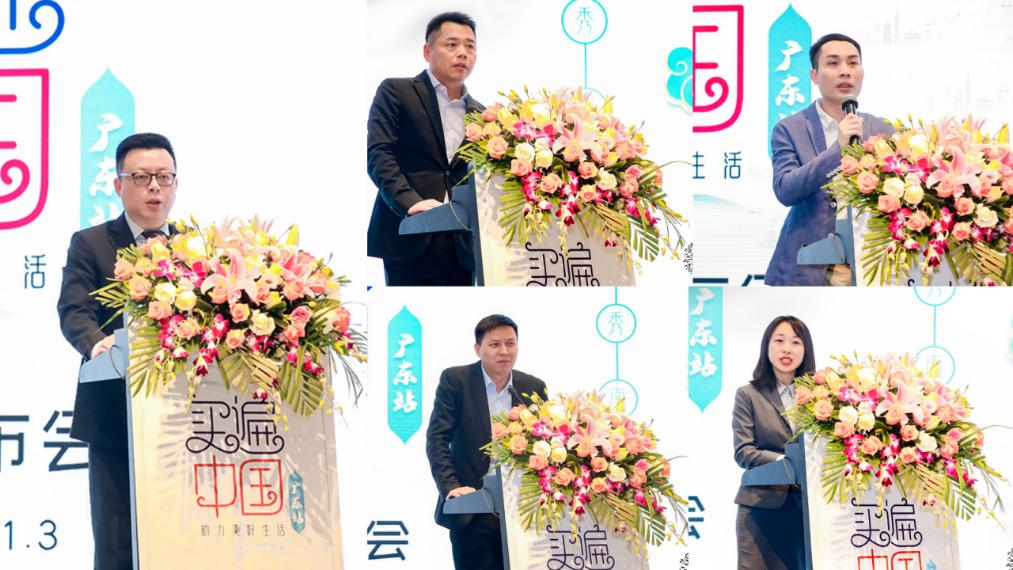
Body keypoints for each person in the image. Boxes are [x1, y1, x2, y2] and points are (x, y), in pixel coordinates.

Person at [57, 132, 178, 570]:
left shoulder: (198, 247)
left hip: (186, 421)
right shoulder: (90, 243)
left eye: (164, 177)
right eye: (142, 177)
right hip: (115, 415)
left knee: (184, 539)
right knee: (116, 543)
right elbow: (74, 311)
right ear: (118, 185)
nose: (155, 187)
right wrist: (98, 345)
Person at [766, 33, 895, 286]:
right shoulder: (790, 128)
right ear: (814, 75)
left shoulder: (884, 130)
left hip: (871, 266)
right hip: (809, 269)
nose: (845, 71)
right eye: (833, 63)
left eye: (853, 63)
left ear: (862, 73)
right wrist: (838, 149)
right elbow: (785, 190)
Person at [367, 11, 483, 286]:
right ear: (427, 51)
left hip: (461, 244)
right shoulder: (397, 91)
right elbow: (380, 154)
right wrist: (410, 203)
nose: (463, 53)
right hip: (410, 231)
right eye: (451, 44)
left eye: (470, 46)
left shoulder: (482, 114)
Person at [425, 314, 548, 570]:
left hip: (520, 513)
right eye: (495, 344)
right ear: (478, 348)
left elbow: (545, 442)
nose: (504, 351)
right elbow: (437, 439)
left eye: (510, 343)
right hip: (472, 508)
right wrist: (451, 488)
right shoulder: (456, 380)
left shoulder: (532, 387)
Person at [732, 315, 815, 570]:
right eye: (779, 341)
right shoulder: (748, 395)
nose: (787, 349)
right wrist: (786, 463)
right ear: (766, 346)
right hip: (760, 510)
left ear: (805, 350)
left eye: (795, 342)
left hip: (806, 512)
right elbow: (744, 452)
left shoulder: (820, 398)